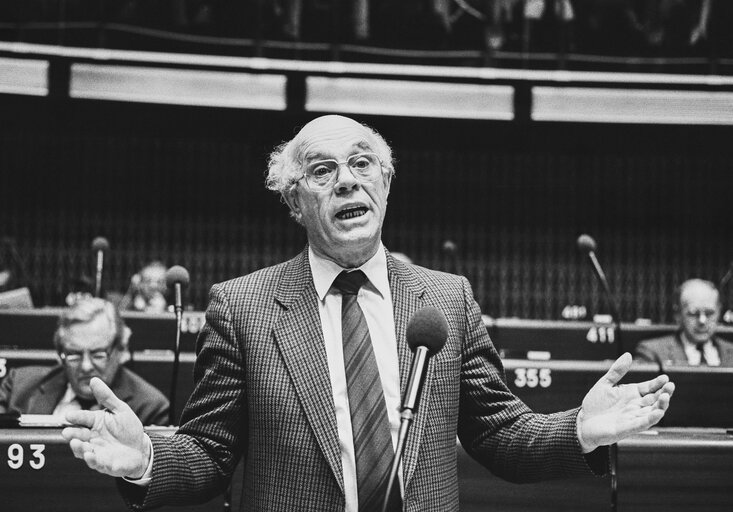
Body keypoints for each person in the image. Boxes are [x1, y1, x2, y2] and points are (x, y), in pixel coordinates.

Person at [62, 115, 674, 511]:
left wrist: (581, 429)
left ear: (385, 183)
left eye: (363, 164)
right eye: (324, 171)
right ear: (295, 201)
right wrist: (147, 460)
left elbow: (499, 436)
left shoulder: (446, 299)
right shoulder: (243, 308)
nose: (349, 182)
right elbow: (211, 453)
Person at [0, 296, 170, 426]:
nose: (86, 366)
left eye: (98, 354)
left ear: (120, 351)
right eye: (74, 354)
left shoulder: (150, 407)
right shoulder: (19, 386)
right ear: (60, 354)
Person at [634, 278, 733, 367]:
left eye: (709, 313)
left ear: (719, 311)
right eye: (693, 314)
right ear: (678, 315)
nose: (702, 321)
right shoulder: (652, 352)